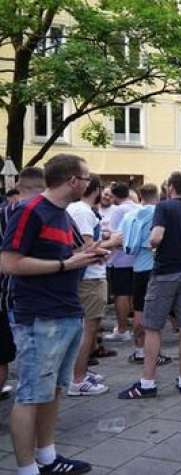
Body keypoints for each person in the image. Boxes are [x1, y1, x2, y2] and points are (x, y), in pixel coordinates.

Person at [1, 154, 107, 475]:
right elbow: (8, 263)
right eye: (87, 178)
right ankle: (27, 468)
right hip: (38, 316)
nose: (91, 185)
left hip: (66, 312)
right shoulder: (30, 211)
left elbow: (72, 254)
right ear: (73, 180)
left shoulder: (64, 215)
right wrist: (65, 264)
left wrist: (93, 253)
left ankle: (47, 457)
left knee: (55, 389)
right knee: (32, 393)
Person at [118, 172, 181, 399]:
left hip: (165, 272)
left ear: (171, 188)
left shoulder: (164, 208)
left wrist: (148, 241)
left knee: (153, 327)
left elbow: (156, 237)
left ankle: (147, 383)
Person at [0, 167, 45, 402]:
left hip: (11, 297)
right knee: (25, 362)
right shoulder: (39, 213)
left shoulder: (5, 213)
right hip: (22, 298)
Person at [66, 174, 111, 397]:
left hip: (87, 276)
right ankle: (78, 379)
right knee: (88, 328)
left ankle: (80, 372)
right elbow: (86, 248)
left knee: (86, 328)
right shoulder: (82, 211)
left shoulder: (77, 209)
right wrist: (112, 242)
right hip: (90, 277)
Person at [120, 184, 168, 367]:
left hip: (137, 267)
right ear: (157, 196)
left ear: (140, 196)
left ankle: (140, 349)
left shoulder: (130, 215)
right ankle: (155, 352)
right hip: (155, 266)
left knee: (139, 310)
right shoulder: (159, 213)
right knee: (156, 313)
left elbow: (123, 240)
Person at [104, 183, 140, 342]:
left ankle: (122, 328)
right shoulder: (138, 208)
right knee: (134, 294)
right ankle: (132, 325)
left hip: (121, 258)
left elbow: (115, 235)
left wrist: (105, 234)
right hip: (137, 258)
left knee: (121, 294)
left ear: (115, 196)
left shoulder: (119, 210)